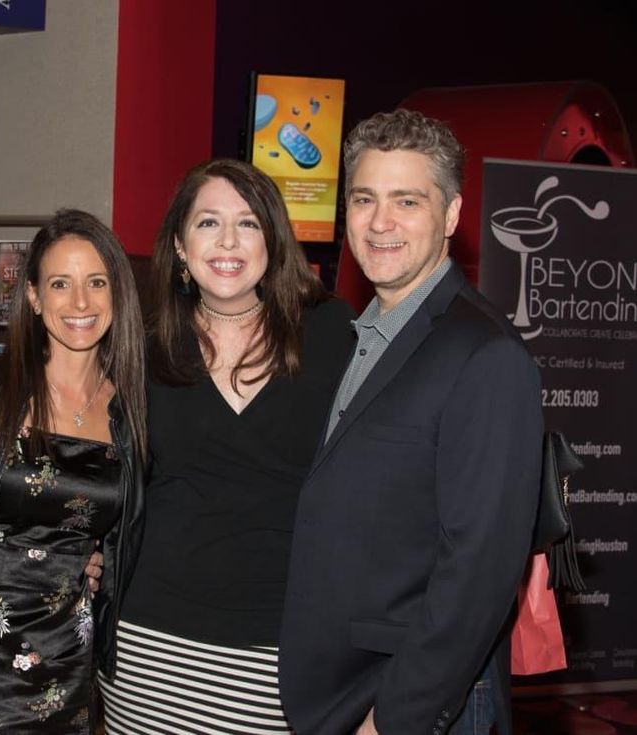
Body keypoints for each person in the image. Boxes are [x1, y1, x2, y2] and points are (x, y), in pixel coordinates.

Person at [279, 109, 544, 735]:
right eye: (365, 199)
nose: (381, 223)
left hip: (413, 701)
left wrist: (393, 718)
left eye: (408, 201)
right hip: (347, 687)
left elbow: (480, 569)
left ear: (450, 215)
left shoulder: (487, 355)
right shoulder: (360, 337)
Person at [100, 159, 356, 733]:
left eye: (248, 223)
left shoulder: (332, 333)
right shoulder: (144, 346)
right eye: (208, 223)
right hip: (149, 648)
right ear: (180, 247)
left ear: (273, 241)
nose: (229, 241)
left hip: (279, 653)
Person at [0, 208, 147, 732]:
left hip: (66, 661)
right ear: (33, 296)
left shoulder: (133, 410)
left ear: (117, 293)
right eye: (60, 283)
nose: (80, 302)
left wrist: (101, 564)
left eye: (96, 282)